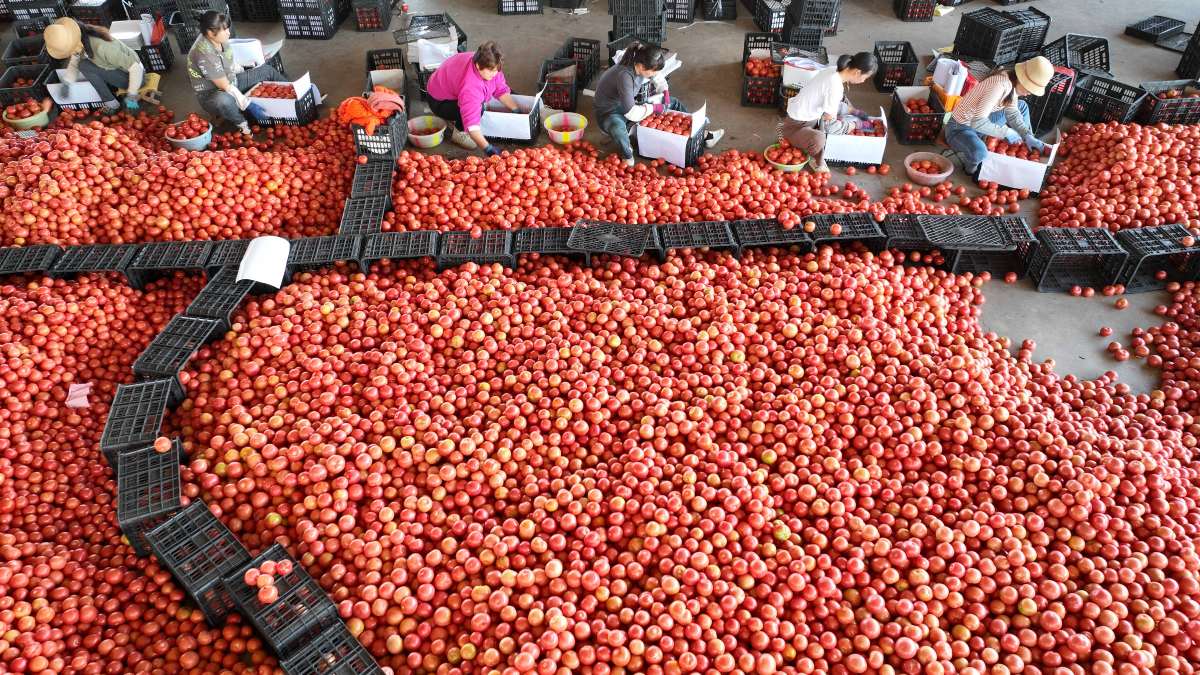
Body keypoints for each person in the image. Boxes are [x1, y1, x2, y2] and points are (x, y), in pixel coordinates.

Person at [593, 41, 724, 167]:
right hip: (609, 112)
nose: (654, 74)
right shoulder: (624, 76)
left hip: (626, 103)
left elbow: (658, 77)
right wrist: (654, 108)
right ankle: (627, 156)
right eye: (653, 71)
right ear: (642, 67)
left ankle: (703, 134)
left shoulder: (639, 63)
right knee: (618, 128)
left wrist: (665, 91)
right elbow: (631, 112)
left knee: (673, 102)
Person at [943, 55, 1054, 179]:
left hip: (981, 121)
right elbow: (977, 122)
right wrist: (1006, 132)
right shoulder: (999, 85)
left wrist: (1025, 133)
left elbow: (1012, 112)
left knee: (1021, 106)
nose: (1030, 92)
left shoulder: (1012, 82)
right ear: (1022, 78)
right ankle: (972, 171)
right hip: (960, 128)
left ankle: (1028, 144)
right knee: (980, 153)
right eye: (1030, 88)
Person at [187, 11, 286, 135]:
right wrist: (247, 104)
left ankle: (296, 96)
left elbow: (229, 62)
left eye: (228, 28)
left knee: (266, 71)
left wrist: (245, 68)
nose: (229, 32)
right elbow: (224, 86)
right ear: (210, 33)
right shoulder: (203, 53)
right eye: (225, 30)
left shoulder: (220, 39)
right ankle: (242, 125)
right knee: (224, 101)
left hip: (232, 81)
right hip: (212, 94)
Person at [780, 52, 878, 173]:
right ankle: (816, 160)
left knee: (841, 105)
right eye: (865, 78)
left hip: (809, 117)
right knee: (819, 139)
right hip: (794, 127)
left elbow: (834, 103)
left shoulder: (833, 71)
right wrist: (853, 125)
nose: (863, 81)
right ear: (857, 72)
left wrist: (853, 111)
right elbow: (830, 127)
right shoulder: (835, 86)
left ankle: (809, 139)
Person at [425, 42, 521, 157]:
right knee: (478, 109)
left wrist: (516, 109)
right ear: (478, 66)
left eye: (497, 70)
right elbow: (472, 126)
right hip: (438, 100)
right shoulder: (471, 88)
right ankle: (459, 133)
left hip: (445, 84)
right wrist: (488, 148)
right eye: (491, 71)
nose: (495, 74)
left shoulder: (488, 62)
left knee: (508, 93)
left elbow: (500, 89)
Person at [43, 18, 144, 114]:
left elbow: (136, 69)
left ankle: (114, 104)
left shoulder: (102, 47)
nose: (70, 53)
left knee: (85, 66)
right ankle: (112, 103)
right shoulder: (82, 39)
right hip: (116, 71)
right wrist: (67, 83)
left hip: (135, 77)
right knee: (83, 65)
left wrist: (132, 94)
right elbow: (74, 63)